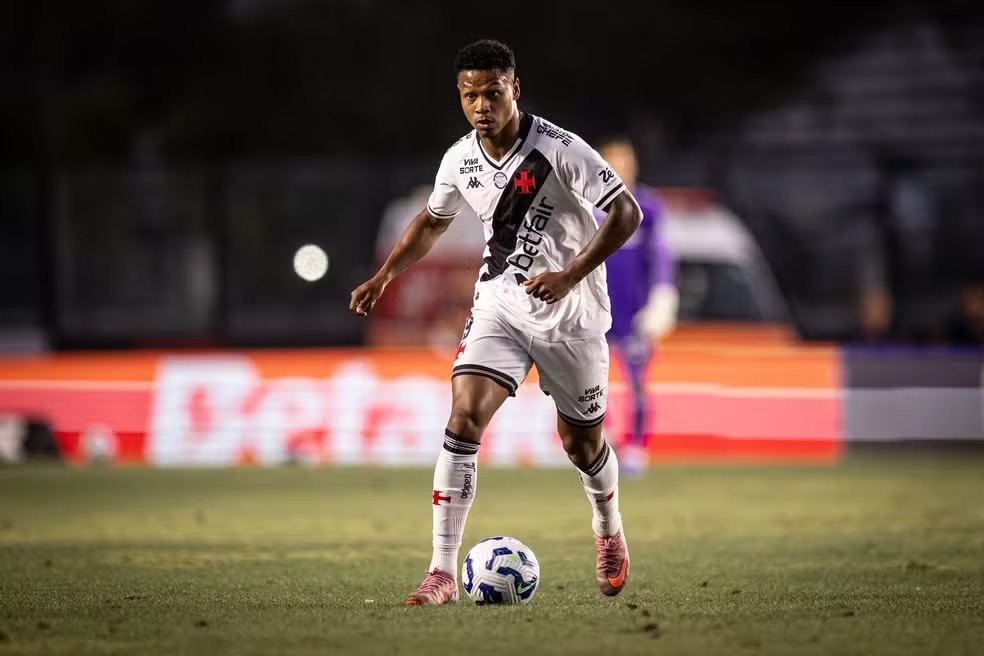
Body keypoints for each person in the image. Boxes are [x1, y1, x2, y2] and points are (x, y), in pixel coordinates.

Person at [349, 39, 643, 606]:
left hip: (572, 315)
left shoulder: (561, 149)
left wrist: (570, 273)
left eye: (491, 92)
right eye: (469, 95)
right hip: (501, 306)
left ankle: (608, 528)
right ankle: (441, 573)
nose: (481, 105)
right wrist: (385, 276)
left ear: (515, 88)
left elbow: (625, 212)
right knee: (463, 417)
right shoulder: (458, 158)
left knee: (582, 444)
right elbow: (433, 223)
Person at [595, 136, 678, 476]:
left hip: (634, 312)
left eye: (625, 163)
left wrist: (662, 295)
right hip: (595, 310)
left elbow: (660, 255)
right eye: (612, 163)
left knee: (637, 383)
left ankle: (637, 447)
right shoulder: (587, 206)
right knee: (593, 384)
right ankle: (601, 446)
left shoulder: (648, 206)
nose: (619, 170)